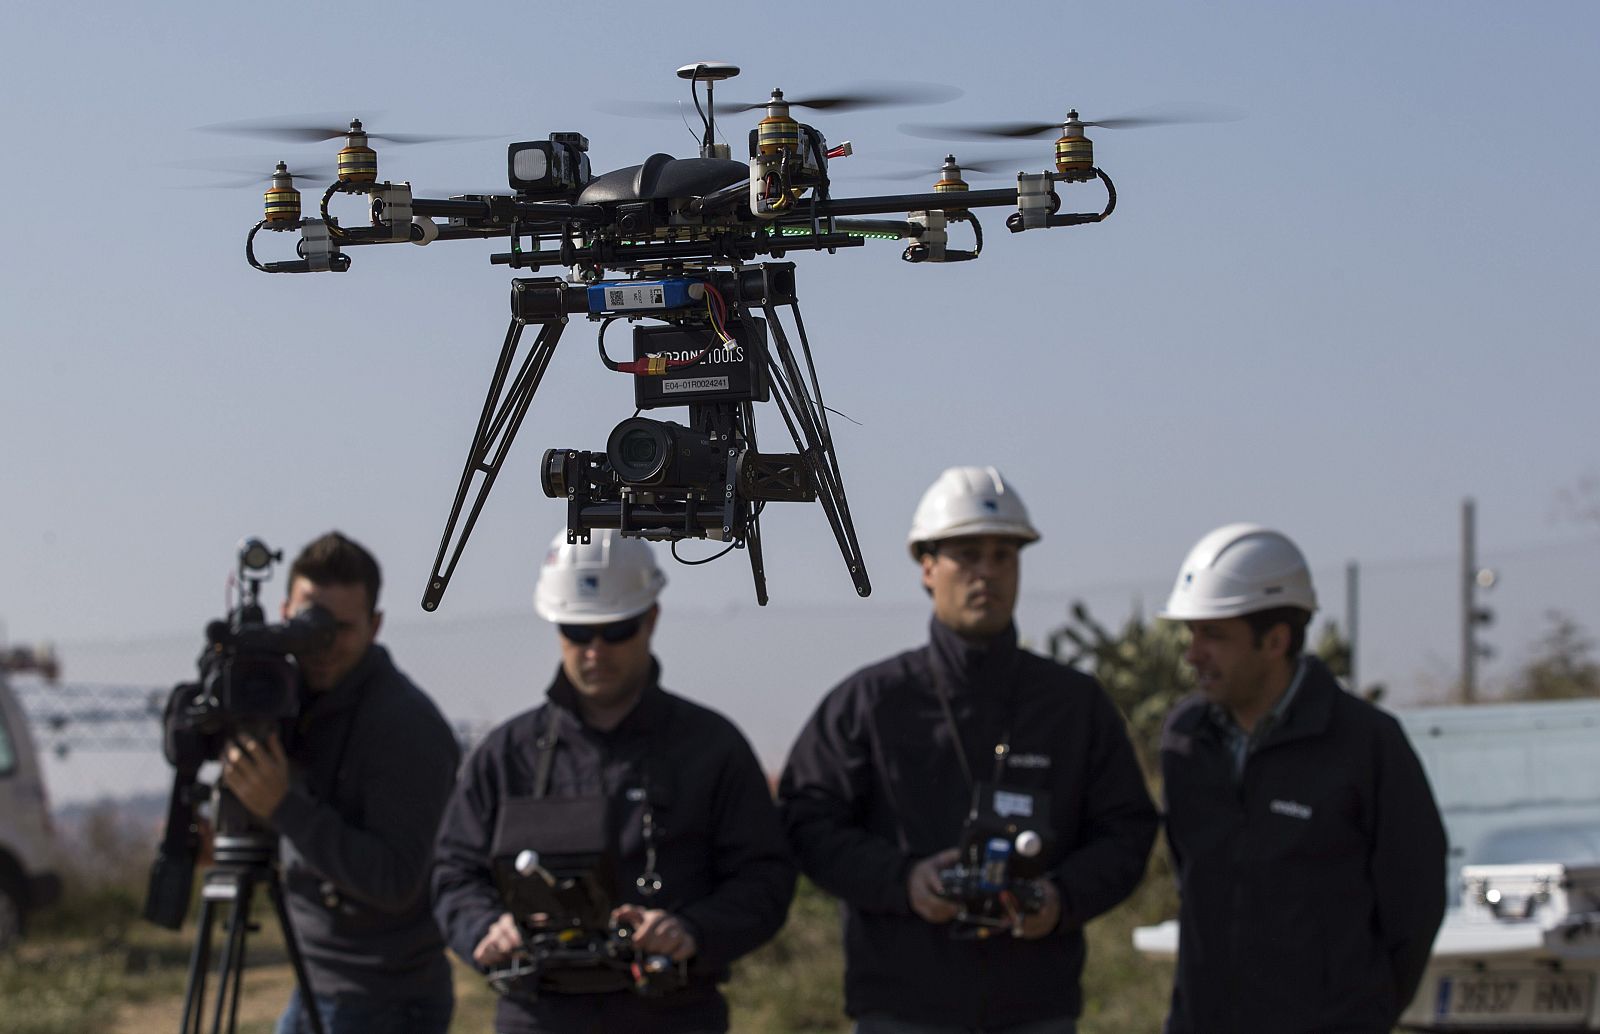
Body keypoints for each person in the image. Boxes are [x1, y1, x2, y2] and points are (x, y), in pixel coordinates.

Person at [780, 466, 1158, 1034]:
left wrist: (1059, 898)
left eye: (1003, 554)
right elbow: (805, 822)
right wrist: (903, 881)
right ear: (927, 567)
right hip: (902, 1008)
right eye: (966, 554)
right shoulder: (870, 703)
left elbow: (1127, 829)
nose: (987, 571)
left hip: (1036, 1008)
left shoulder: (1073, 704)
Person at [432, 529, 795, 1034]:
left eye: (615, 629)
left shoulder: (711, 748)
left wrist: (692, 930)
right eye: (578, 632)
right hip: (538, 1015)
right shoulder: (506, 755)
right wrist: (485, 928)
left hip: (671, 1015)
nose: (596, 651)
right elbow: (454, 873)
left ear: (651, 618)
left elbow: (766, 878)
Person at [1156, 523, 1447, 1033]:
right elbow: (1193, 883)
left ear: (1275, 640)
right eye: (1192, 632)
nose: (1192, 653)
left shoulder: (1367, 744)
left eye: (1214, 635)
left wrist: (1360, 1012)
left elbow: (1413, 906)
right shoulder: (1183, 740)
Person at [218, 531, 462, 1034]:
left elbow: (396, 879)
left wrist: (283, 806)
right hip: (316, 985)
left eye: (342, 629)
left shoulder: (405, 726)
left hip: (386, 1002)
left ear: (375, 626)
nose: (322, 646)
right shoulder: (292, 698)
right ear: (285, 611)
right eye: (309, 626)